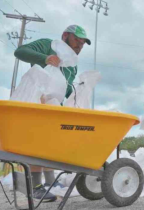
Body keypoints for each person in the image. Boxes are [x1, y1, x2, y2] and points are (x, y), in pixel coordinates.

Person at [14, 25, 91, 202]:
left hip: (54, 107)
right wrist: (46, 58)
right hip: (35, 100)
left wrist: (79, 92)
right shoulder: (48, 45)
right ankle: (34, 186)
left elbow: (64, 91)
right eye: (76, 40)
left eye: (82, 43)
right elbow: (20, 52)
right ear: (65, 36)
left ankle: (50, 182)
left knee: (49, 143)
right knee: (37, 142)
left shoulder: (72, 66)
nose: (79, 45)